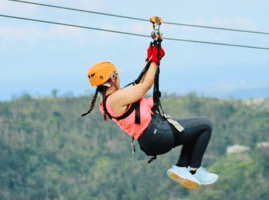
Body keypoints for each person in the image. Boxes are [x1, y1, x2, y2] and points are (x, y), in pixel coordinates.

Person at [81, 44, 218, 189]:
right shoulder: (116, 99)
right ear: (113, 78)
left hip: (150, 140)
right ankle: (195, 171)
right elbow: (145, 85)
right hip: (158, 133)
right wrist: (155, 61)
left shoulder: (106, 102)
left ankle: (182, 167)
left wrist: (150, 59)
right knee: (205, 126)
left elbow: (139, 84)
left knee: (192, 131)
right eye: (117, 75)